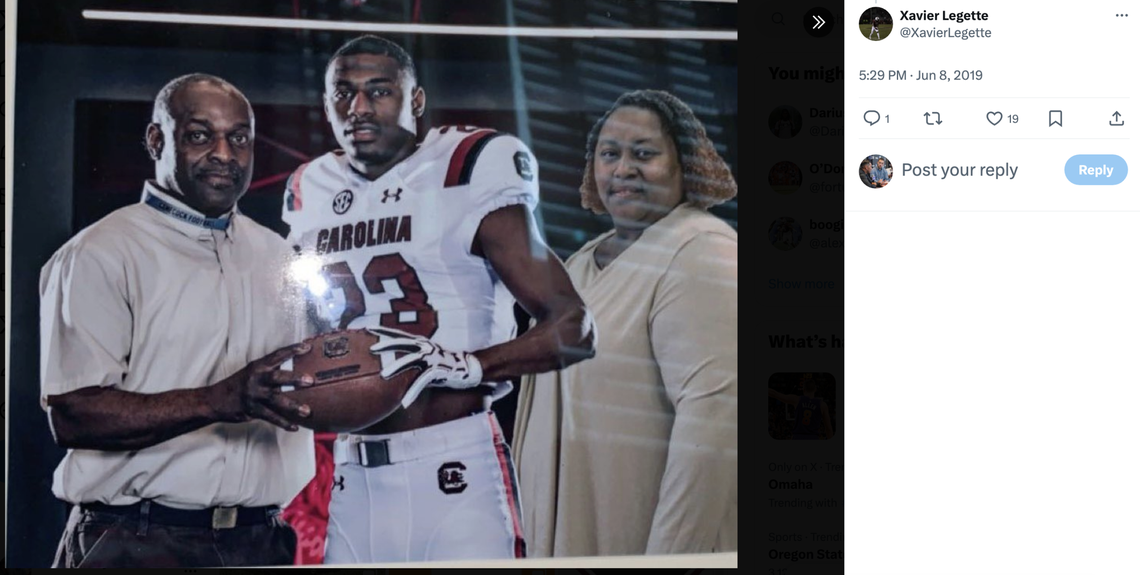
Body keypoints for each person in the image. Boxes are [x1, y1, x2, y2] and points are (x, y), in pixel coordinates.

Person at [280, 35, 595, 563]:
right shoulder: (310, 187)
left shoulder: (467, 164)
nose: (358, 108)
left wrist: (463, 364)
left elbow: (574, 326)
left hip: (455, 461)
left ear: (416, 101)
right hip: (351, 470)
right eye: (343, 94)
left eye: (378, 91)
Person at [39, 74, 317, 568]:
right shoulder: (100, 253)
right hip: (136, 540)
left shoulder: (278, 255)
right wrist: (220, 399)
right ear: (155, 140)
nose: (224, 155)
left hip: (262, 541)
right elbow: (74, 414)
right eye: (199, 135)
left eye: (239, 138)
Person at [512, 89, 738, 557]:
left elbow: (714, 422)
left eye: (644, 154)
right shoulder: (577, 265)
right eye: (609, 154)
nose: (623, 170)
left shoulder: (701, 250)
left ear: (687, 164)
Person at [768, 377, 835, 440]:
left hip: (798, 438)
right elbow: (828, 428)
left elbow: (775, 394)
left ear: (804, 389)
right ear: (815, 389)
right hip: (813, 438)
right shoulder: (822, 405)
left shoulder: (797, 400)